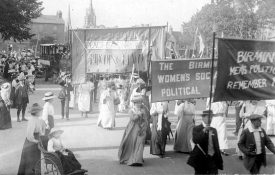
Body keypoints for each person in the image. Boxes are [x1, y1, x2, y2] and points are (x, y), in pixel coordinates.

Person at [187, 110, 223, 174]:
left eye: (211, 117)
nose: (210, 119)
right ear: (203, 118)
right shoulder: (196, 128)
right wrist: (204, 130)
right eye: (208, 117)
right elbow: (196, 140)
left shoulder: (214, 130)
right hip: (201, 159)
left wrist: (219, 159)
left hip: (213, 159)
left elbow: (216, 146)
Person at [118, 95, 148, 166]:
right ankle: (132, 158)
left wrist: (144, 126)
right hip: (132, 129)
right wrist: (138, 114)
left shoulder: (143, 110)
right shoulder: (131, 110)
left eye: (140, 102)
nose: (139, 104)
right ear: (134, 103)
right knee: (132, 143)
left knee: (140, 143)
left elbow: (146, 119)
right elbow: (133, 119)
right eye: (137, 102)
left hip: (141, 128)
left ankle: (138, 159)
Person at [18, 103, 46, 175]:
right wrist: (35, 141)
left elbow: (41, 132)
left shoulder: (38, 120)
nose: (41, 112)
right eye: (40, 111)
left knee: (36, 160)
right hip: (31, 143)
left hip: (35, 142)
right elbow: (29, 135)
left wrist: (44, 127)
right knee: (30, 161)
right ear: (36, 112)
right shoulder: (32, 121)